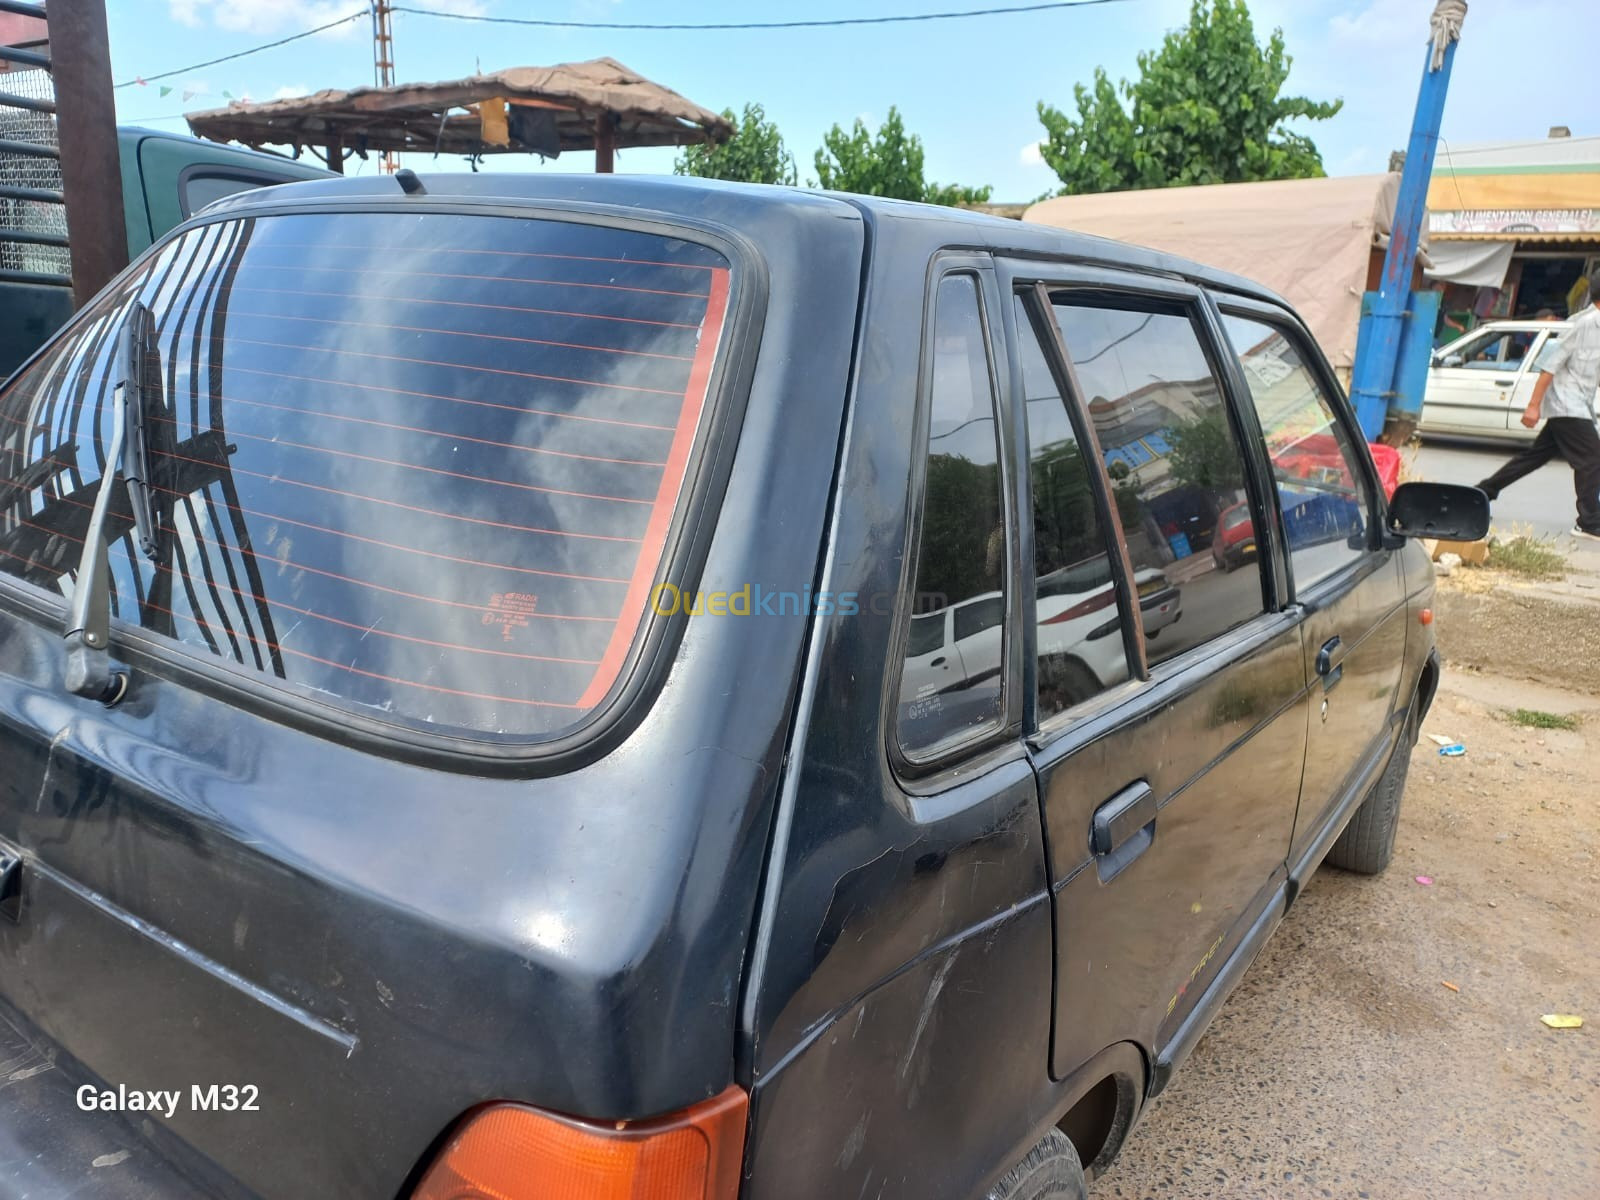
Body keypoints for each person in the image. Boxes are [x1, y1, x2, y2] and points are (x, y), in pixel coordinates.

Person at [1476, 292, 1600, 540]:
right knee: (1592, 458)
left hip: (1580, 404)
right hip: (1566, 403)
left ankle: (1482, 492)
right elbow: (1549, 365)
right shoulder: (1583, 323)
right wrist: (1534, 406)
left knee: (1534, 457)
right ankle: (1588, 522)